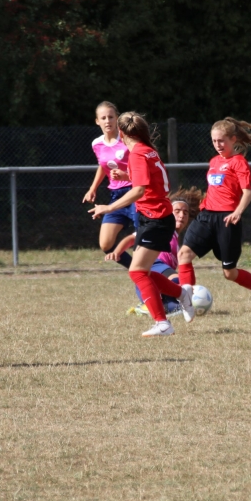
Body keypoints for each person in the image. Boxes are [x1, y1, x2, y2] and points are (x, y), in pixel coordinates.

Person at [89, 112, 195, 337]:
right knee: (141, 271)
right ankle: (181, 294)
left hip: (156, 219)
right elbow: (151, 180)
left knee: (137, 272)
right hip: (156, 217)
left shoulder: (137, 153)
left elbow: (138, 191)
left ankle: (163, 323)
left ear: (122, 132)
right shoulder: (148, 150)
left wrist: (108, 208)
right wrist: (128, 175)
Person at [177, 117, 251, 312]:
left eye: (221, 141)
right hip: (207, 217)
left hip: (227, 220)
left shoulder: (239, 162)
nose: (217, 145)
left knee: (229, 273)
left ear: (233, 139)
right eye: (214, 141)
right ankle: (187, 303)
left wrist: (237, 212)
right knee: (184, 254)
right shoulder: (214, 161)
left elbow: (247, 193)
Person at [108, 187, 202, 317]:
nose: (181, 215)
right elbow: (132, 238)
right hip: (153, 270)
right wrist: (117, 251)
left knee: (175, 305)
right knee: (181, 284)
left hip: (152, 284)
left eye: (185, 213)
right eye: (177, 211)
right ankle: (158, 305)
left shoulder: (175, 239)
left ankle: (151, 305)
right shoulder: (160, 229)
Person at [83, 101, 135, 268]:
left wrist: (126, 176)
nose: (107, 121)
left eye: (111, 117)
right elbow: (103, 164)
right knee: (106, 244)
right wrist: (93, 188)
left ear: (117, 118)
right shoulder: (97, 144)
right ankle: (137, 269)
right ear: (97, 121)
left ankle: (155, 271)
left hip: (136, 193)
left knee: (144, 238)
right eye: (103, 118)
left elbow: (142, 166)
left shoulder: (128, 139)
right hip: (116, 195)